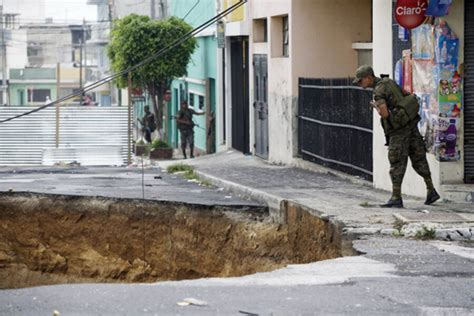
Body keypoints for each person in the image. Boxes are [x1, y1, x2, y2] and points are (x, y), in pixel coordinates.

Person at [354, 65, 440, 208]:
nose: (360, 84)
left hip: (399, 130)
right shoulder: (389, 82)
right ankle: (431, 190)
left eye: (361, 81)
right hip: (410, 125)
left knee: (396, 163)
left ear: (368, 77)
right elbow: (405, 95)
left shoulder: (378, 91)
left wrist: (375, 106)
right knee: (419, 158)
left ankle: (396, 197)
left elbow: (385, 114)